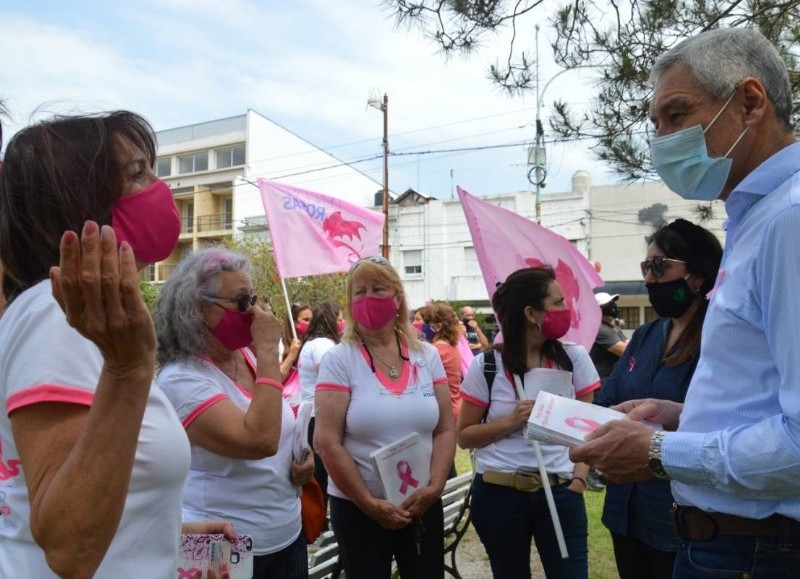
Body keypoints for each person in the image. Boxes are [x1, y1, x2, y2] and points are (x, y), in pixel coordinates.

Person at [571, 28, 800, 577]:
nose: (662, 141)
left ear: (749, 102)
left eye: (676, 115)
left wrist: (657, 452)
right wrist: (683, 419)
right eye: (655, 125)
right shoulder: (757, 219)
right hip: (731, 544)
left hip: (755, 550)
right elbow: (763, 395)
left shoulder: (790, 220)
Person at [0, 111, 232, 578]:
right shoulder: (61, 313)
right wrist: (128, 370)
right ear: (81, 201)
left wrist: (169, 531)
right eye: (137, 173)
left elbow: (68, 484)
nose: (157, 186)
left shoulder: (80, 313)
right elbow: (69, 545)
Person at [154, 246, 313, 579]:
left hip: (286, 538)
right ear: (197, 308)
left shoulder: (245, 357)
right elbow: (259, 441)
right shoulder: (181, 378)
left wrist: (299, 461)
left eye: (253, 300)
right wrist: (270, 349)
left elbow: (276, 428)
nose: (254, 313)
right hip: (221, 546)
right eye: (243, 302)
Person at [314, 256, 456, 579]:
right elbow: (326, 442)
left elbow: (446, 428)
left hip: (421, 504)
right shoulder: (339, 359)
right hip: (360, 511)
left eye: (378, 289)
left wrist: (435, 487)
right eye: (358, 292)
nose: (367, 298)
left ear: (397, 297)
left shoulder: (427, 355)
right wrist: (369, 503)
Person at [595, 220, 722, 579]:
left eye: (659, 266)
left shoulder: (719, 338)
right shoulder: (646, 335)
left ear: (697, 276)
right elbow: (608, 400)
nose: (649, 279)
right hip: (625, 509)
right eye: (646, 267)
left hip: (682, 517)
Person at [458, 266, 600, 579]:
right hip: (499, 496)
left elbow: (589, 430)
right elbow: (465, 436)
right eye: (558, 302)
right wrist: (512, 421)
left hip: (561, 493)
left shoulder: (574, 359)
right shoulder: (488, 365)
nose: (566, 310)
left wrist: (578, 481)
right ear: (531, 313)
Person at [298, 299, 345, 508]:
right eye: (341, 320)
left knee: (321, 471)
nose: (343, 324)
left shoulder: (311, 343)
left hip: (311, 415)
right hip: (319, 416)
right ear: (331, 321)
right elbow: (333, 375)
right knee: (326, 472)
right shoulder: (323, 345)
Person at [429, 303, 463, 423]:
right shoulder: (452, 347)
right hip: (456, 406)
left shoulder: (435, 350)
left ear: (437, 326)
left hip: (442, 412)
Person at [588, 292, 628, 384]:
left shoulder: (611, 327)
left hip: (611, 379)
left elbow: (627, 342)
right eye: (608, 304)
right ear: (598, 309)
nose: (613, 306)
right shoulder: (600, 328)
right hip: (603, 382)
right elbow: (626, 351)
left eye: (613, 303)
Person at [281, 302, 312, 411]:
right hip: (288, 408)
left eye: (312, 320)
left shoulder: (312, 345)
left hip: (308, 408)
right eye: (306, 320)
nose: (310, 324)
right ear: (293, 323)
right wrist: (291, 356)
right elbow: (276, 379)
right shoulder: (280, 346)